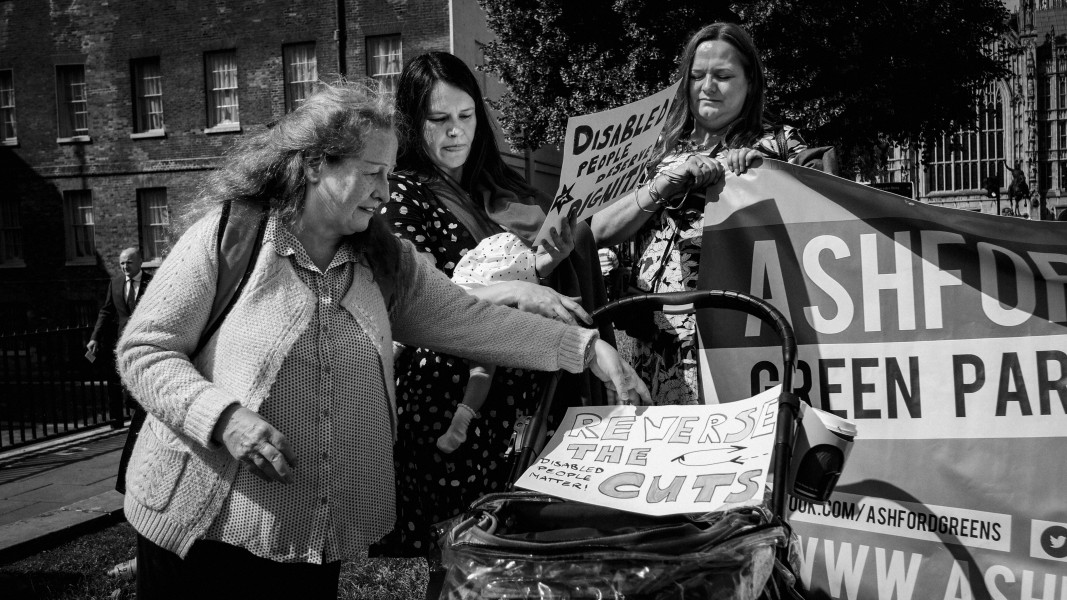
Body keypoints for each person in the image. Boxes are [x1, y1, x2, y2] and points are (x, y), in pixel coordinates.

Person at [115, 81, 648, 600]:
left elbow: (473, 319)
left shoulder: (384, 261)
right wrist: (225, 418)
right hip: (200, 530)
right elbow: (145, 349)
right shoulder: (230, 235)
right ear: (316, 164)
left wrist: (583, 347)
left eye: (390, 175)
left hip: (307, 539)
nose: (386, 192)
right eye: (372, 174)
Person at [376, 51, 617, 556]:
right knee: (458, 550)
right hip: (448, 397)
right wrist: (518, 290)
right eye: (438, 120)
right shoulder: (399, 194)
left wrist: (552, 257)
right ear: (410, 123)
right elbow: (414, 299)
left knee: (526, 552)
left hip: (529, 390)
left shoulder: (502, 190)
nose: (454, 133)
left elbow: (535, 262)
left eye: (465, 117)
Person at [592, 22, 809, 405]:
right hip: (660, 336)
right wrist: (664, 184)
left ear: (751, 83)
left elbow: (816, 215)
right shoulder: (654, 149)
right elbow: (599, 230)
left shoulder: (778, 144)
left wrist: (765, 177)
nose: (708, 86)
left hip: (744, 331)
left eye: (723, 76)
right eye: (697, 76)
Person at [88, 247, 151, 480]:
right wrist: (95, 337)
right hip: (124, 342)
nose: (125, 267)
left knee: (141, 381)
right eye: (122, 263)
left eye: (129, 263)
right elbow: (106, 312)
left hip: (145, 341)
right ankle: (134, 415)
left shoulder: (151, 282)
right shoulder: (115, 283)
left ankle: (141, 418)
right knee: (126, 385)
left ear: (140, 262)